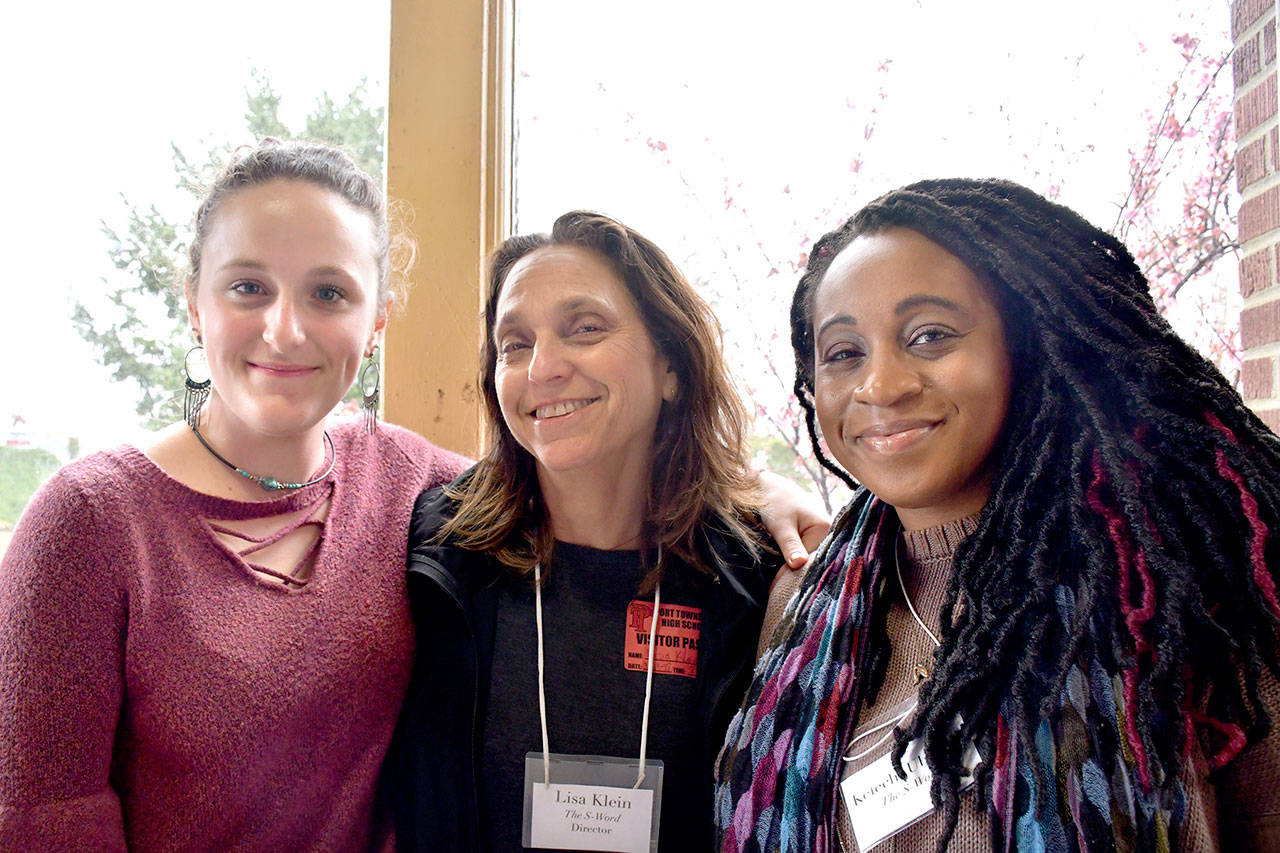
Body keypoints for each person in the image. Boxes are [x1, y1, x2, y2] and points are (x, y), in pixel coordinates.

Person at [715, 178, 1280, 852]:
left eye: (929, 335)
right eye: (844, 353)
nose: (880, 384)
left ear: (1030, 344)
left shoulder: (1183, 598)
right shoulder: (798, 603)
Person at [0, 139, 471, 849]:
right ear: (195, 305)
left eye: (329, 293)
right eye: (248, 287)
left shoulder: (408, 476)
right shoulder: (89, 520)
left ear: (375, 325)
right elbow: (42, 818)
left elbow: (565, 501)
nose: (285, 329)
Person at [384, 211, 823, 851]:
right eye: (515, 344)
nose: (542, 369)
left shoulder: (756, 577)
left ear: (671, 366)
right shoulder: (438, 554)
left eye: (584, 329)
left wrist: (763, 491)